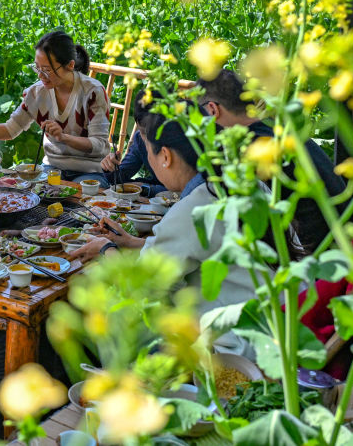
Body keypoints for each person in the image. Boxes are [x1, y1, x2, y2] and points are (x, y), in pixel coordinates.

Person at [70, 110, 256, 357]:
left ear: (165, 156)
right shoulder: (237, 185)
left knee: (115, 315)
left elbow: (142, 286)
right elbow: (193, 250)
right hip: (270, 326)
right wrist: (132, 242)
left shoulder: (194, 208)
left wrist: (106, 249)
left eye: (149, 152)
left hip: (233, 350)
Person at [195, 69, 347, 253]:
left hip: (314, 263)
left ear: (212, 110)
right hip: (347, 250)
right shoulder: (283, 133)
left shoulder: (250, 149)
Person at [0, 30, 111, 185]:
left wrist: (63, 137)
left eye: (47, 70)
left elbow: (99, 145)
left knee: (80, 195)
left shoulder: (92, 92)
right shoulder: (36, 93)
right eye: (37, 68)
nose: (40, 75)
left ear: (70, 65)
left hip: (90, 171)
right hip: (52, 168)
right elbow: (10, 130)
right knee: (34, 192)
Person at [100, 91, 165, 195]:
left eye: (154, 132)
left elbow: (184, 189)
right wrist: (110, 168)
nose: (148, 140)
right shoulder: (140, 140)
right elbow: (122, 177)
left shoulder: (178, 140)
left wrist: (146, 189)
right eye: (144, 132)